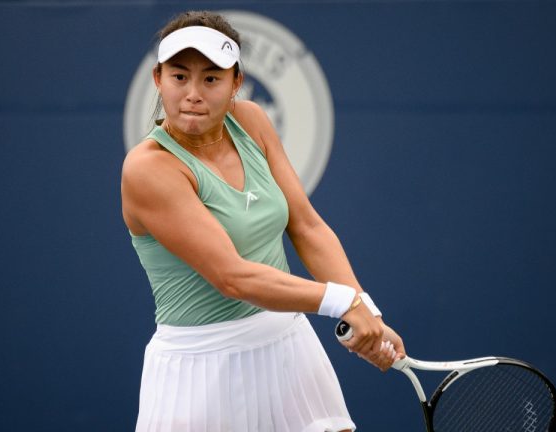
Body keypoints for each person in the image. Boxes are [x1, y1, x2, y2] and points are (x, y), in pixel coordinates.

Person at [121, 10, 406, 432]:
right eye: (179, 77)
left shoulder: (251, 120)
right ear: (158, 80)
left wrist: (367, 310)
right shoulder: (148, 169)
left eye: (212, 78)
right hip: (199, 369)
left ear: (236, 83)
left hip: (287, 348)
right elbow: (233, 277)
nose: (193, 94)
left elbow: (306, 225)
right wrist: (343, 302)